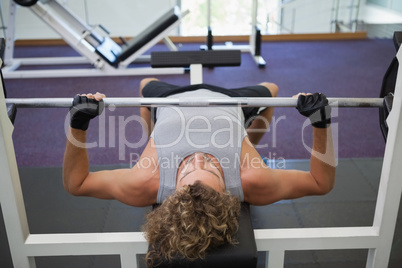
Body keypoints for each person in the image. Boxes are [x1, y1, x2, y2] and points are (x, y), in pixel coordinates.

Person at [63, 78, 335, 267]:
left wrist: (78, 124)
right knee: (272, 90)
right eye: (212, 168)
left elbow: (77, 183)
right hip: (231, 101)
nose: (198, 158)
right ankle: (248, 140)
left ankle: (153, 134)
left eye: (187, 170)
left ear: (172, 194)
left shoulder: (145, 180)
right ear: (227, 194)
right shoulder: (252, 178)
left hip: (170, 99)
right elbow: (320, 182)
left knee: (146, 86)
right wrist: (320, 122)